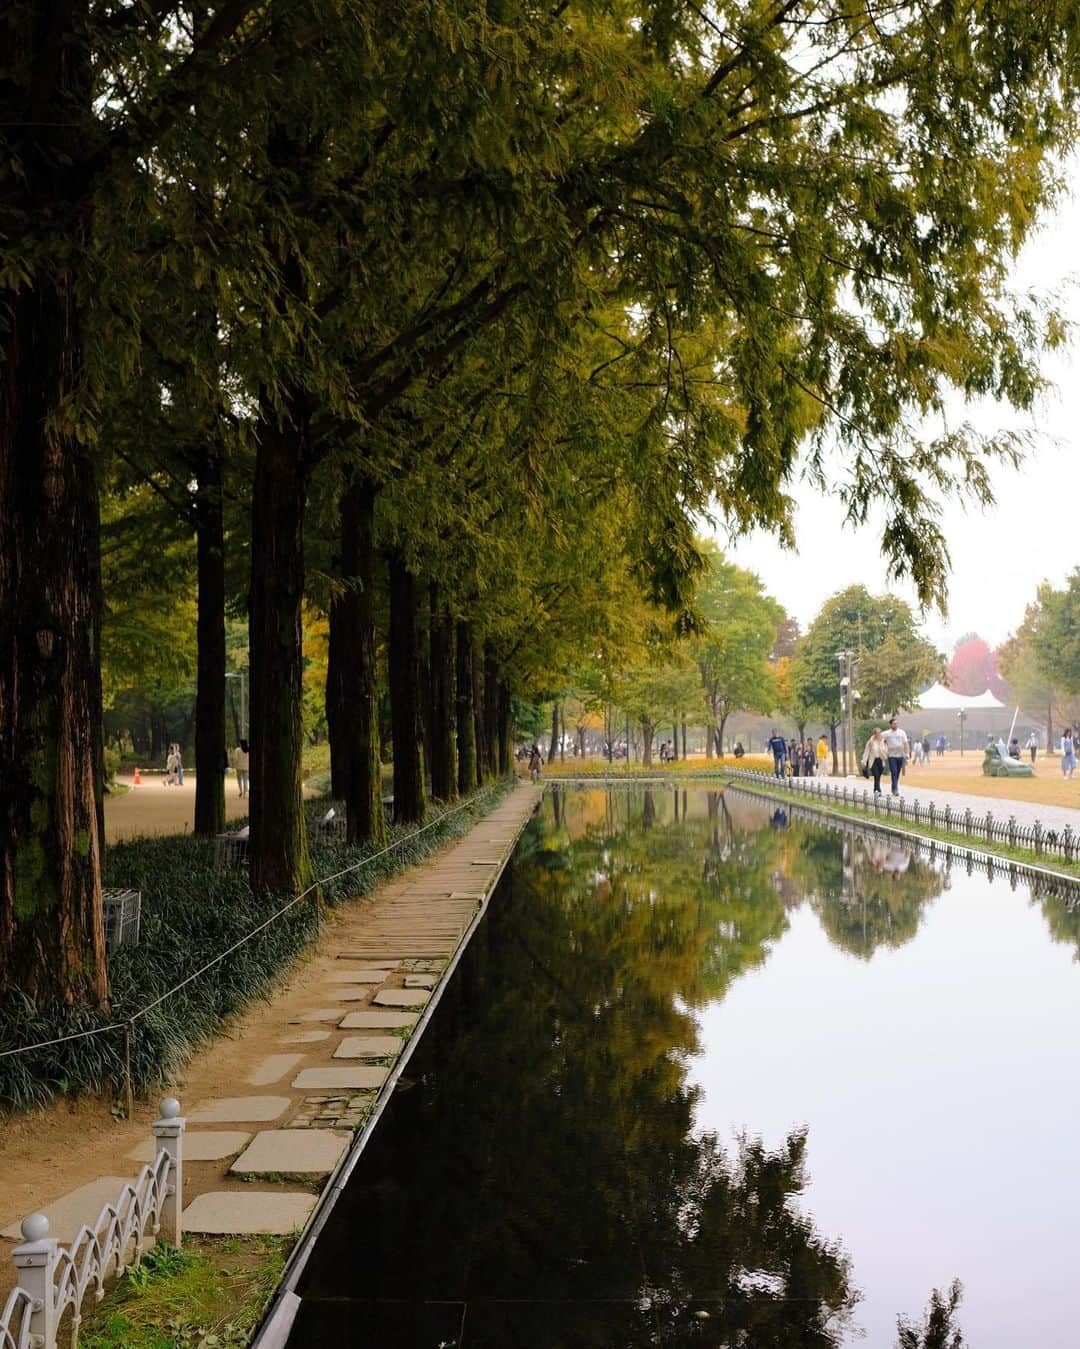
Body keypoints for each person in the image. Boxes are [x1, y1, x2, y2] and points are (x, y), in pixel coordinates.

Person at [882, 717, 910, 795]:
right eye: (894, 723)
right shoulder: (887, 733)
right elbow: (878, 738)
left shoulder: (902, 732)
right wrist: (883, 748)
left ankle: (893, 787)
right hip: (891, 756)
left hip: (900, 755)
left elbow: (905, 743)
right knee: (894, 771)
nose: (896, 725)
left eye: (897, 723)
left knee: (897, 772)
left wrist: (907, 753)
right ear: (891, 725)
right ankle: (895, 789)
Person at [861, 728, 887, 794]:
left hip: (881, 760)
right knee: (876, 774)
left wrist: (882, 749)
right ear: (874, 734)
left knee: (878, 776)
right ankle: (878, 789)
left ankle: (875, 789)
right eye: (877, 734)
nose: (879, 735)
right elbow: (866, 752)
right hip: (873, 761)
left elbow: (886, 751)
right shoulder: (870, 742)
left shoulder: (883, 742)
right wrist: (864, 761)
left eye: (879, 733)